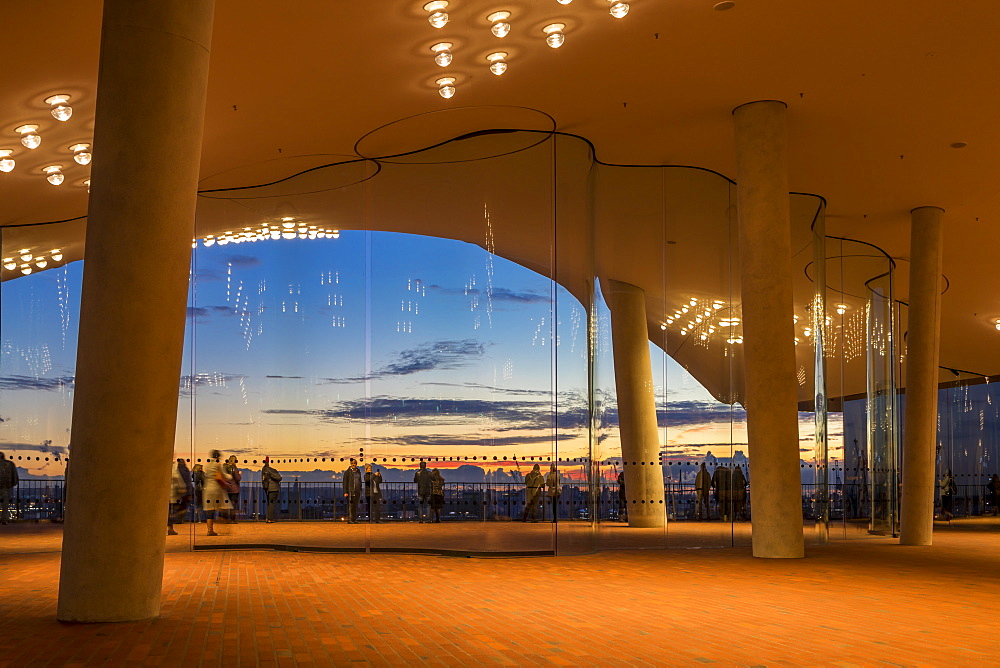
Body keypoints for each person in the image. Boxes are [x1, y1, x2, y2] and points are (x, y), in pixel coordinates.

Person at [202, 450, 234, 536]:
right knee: (224, 505)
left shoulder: (207, 466)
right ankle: (223, 518)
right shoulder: (218, 465)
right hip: (216, 489)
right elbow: (223, 475)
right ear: (218, 457)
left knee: (210, 510)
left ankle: (210, 530)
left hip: (208, 489)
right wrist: (230, 476)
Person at [167, 459, 189, 535]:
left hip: (168, 494)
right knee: (171, 511)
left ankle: (170, 528)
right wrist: (182, 487)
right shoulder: (173, 469)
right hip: (172, 494)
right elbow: (178, 478)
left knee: (168, 511)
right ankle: (171, 528)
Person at [261, 458, 282, 523]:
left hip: (267, 488)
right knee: (272, 503)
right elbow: (279, 478)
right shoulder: (271, 470)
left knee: (270, 503)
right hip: (273, 488)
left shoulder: (263, 470)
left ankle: (268, 518)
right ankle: (269, 518)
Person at [0, 452, 18, 525]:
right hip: (6, 487)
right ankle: (4, 519)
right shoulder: (10, 464)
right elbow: (15, 476)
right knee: (5, 504)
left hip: (5, 486)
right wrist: (12, 484)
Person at [223, 455, 242, 523]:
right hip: (234, 489)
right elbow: (237, 478)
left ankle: (225, 519)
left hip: (226, 488)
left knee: (225, 504)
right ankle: (232, 519)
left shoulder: (224, 467)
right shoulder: (234, 468)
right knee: (233, 504)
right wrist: (239, 474)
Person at [343, 458, 362, 523]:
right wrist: (345, 492)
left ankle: (354, 519)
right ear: (350, 464)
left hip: (357, 491)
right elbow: (345, 482)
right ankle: (350, 519)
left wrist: (360, 489)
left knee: (355, 506)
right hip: (350, 491)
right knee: (350, 506)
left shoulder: (358, 471)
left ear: (356, 464)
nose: (353, 465)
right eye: (352, 464)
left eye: (354, 463)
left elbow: (360, 481)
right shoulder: (347, 472)